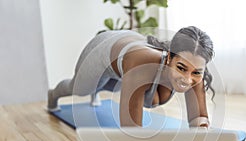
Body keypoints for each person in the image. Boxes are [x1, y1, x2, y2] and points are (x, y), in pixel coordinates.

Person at [47, 26, 215, 127]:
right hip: (102, 50)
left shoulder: (195, 70)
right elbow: (131, 128)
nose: (187, 79)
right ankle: (53, 95)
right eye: (181, 68)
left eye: (196, 72)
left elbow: (198, 121)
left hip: (128, 53)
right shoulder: (141, 66)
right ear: (170, 57)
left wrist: (201, 135)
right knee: (81, 89)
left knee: (155, 98)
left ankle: (97, 91)